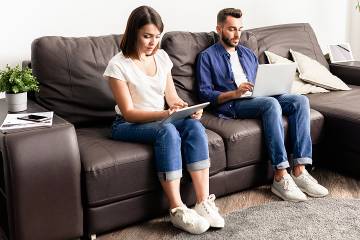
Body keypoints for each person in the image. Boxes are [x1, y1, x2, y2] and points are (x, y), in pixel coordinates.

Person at [103, 6, 224, 234]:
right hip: (127, 124)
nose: (153, 42)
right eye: (147, 36)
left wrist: (185, 109)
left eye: (157, 36)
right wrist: (164, 115)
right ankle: (177, 209)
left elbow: (172, 97)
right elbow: (128, 112)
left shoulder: (162, 56)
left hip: (161, 118)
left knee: (194, 126)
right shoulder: (118, 65)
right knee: (166, 131)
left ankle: (202, 202)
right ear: (133, 34)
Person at [196, 8, 329, 202]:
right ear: (219, 28)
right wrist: (236, 92)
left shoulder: (248, 54)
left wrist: (272, 86)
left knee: (300, 100)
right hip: (232, 104)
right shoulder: (207, 57)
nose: (237, 34)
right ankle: (280, 175)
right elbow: (205, 94)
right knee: (270, 105)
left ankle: (299, 171)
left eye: (240, 29)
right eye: (231, 29)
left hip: (257, 96)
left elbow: (260, 81)